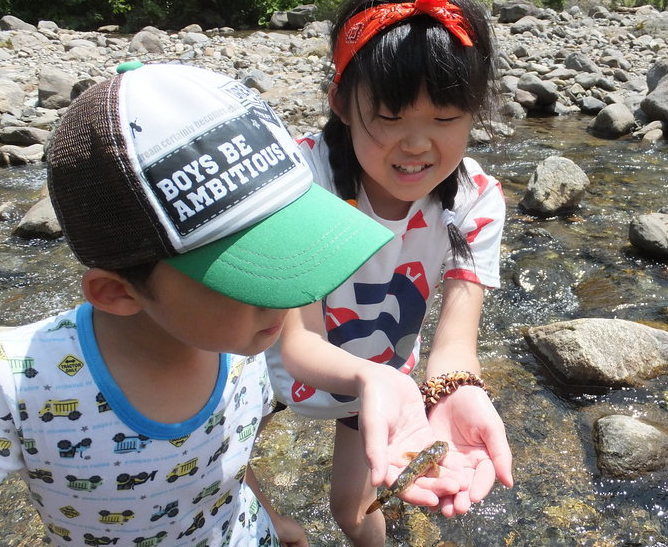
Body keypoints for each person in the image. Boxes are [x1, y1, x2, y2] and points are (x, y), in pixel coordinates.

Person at [0, 63, 395, 545]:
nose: (296, 296)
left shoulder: (242, 339)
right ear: (118, 292)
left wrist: (271, 519)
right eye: (250, 279)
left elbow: (220, 456)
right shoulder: (20, 384)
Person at [266, 0, 514, 544]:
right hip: (262, 367)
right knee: (213, 456)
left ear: (476, 111)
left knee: (352, 512)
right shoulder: (298, 187)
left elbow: (454, 346)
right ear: (342, 104)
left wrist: (455, 390)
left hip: (377, 378)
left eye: (446, 119)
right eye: (390, 117)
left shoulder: (474, 201)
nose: (418, 144)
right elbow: (298, 346)